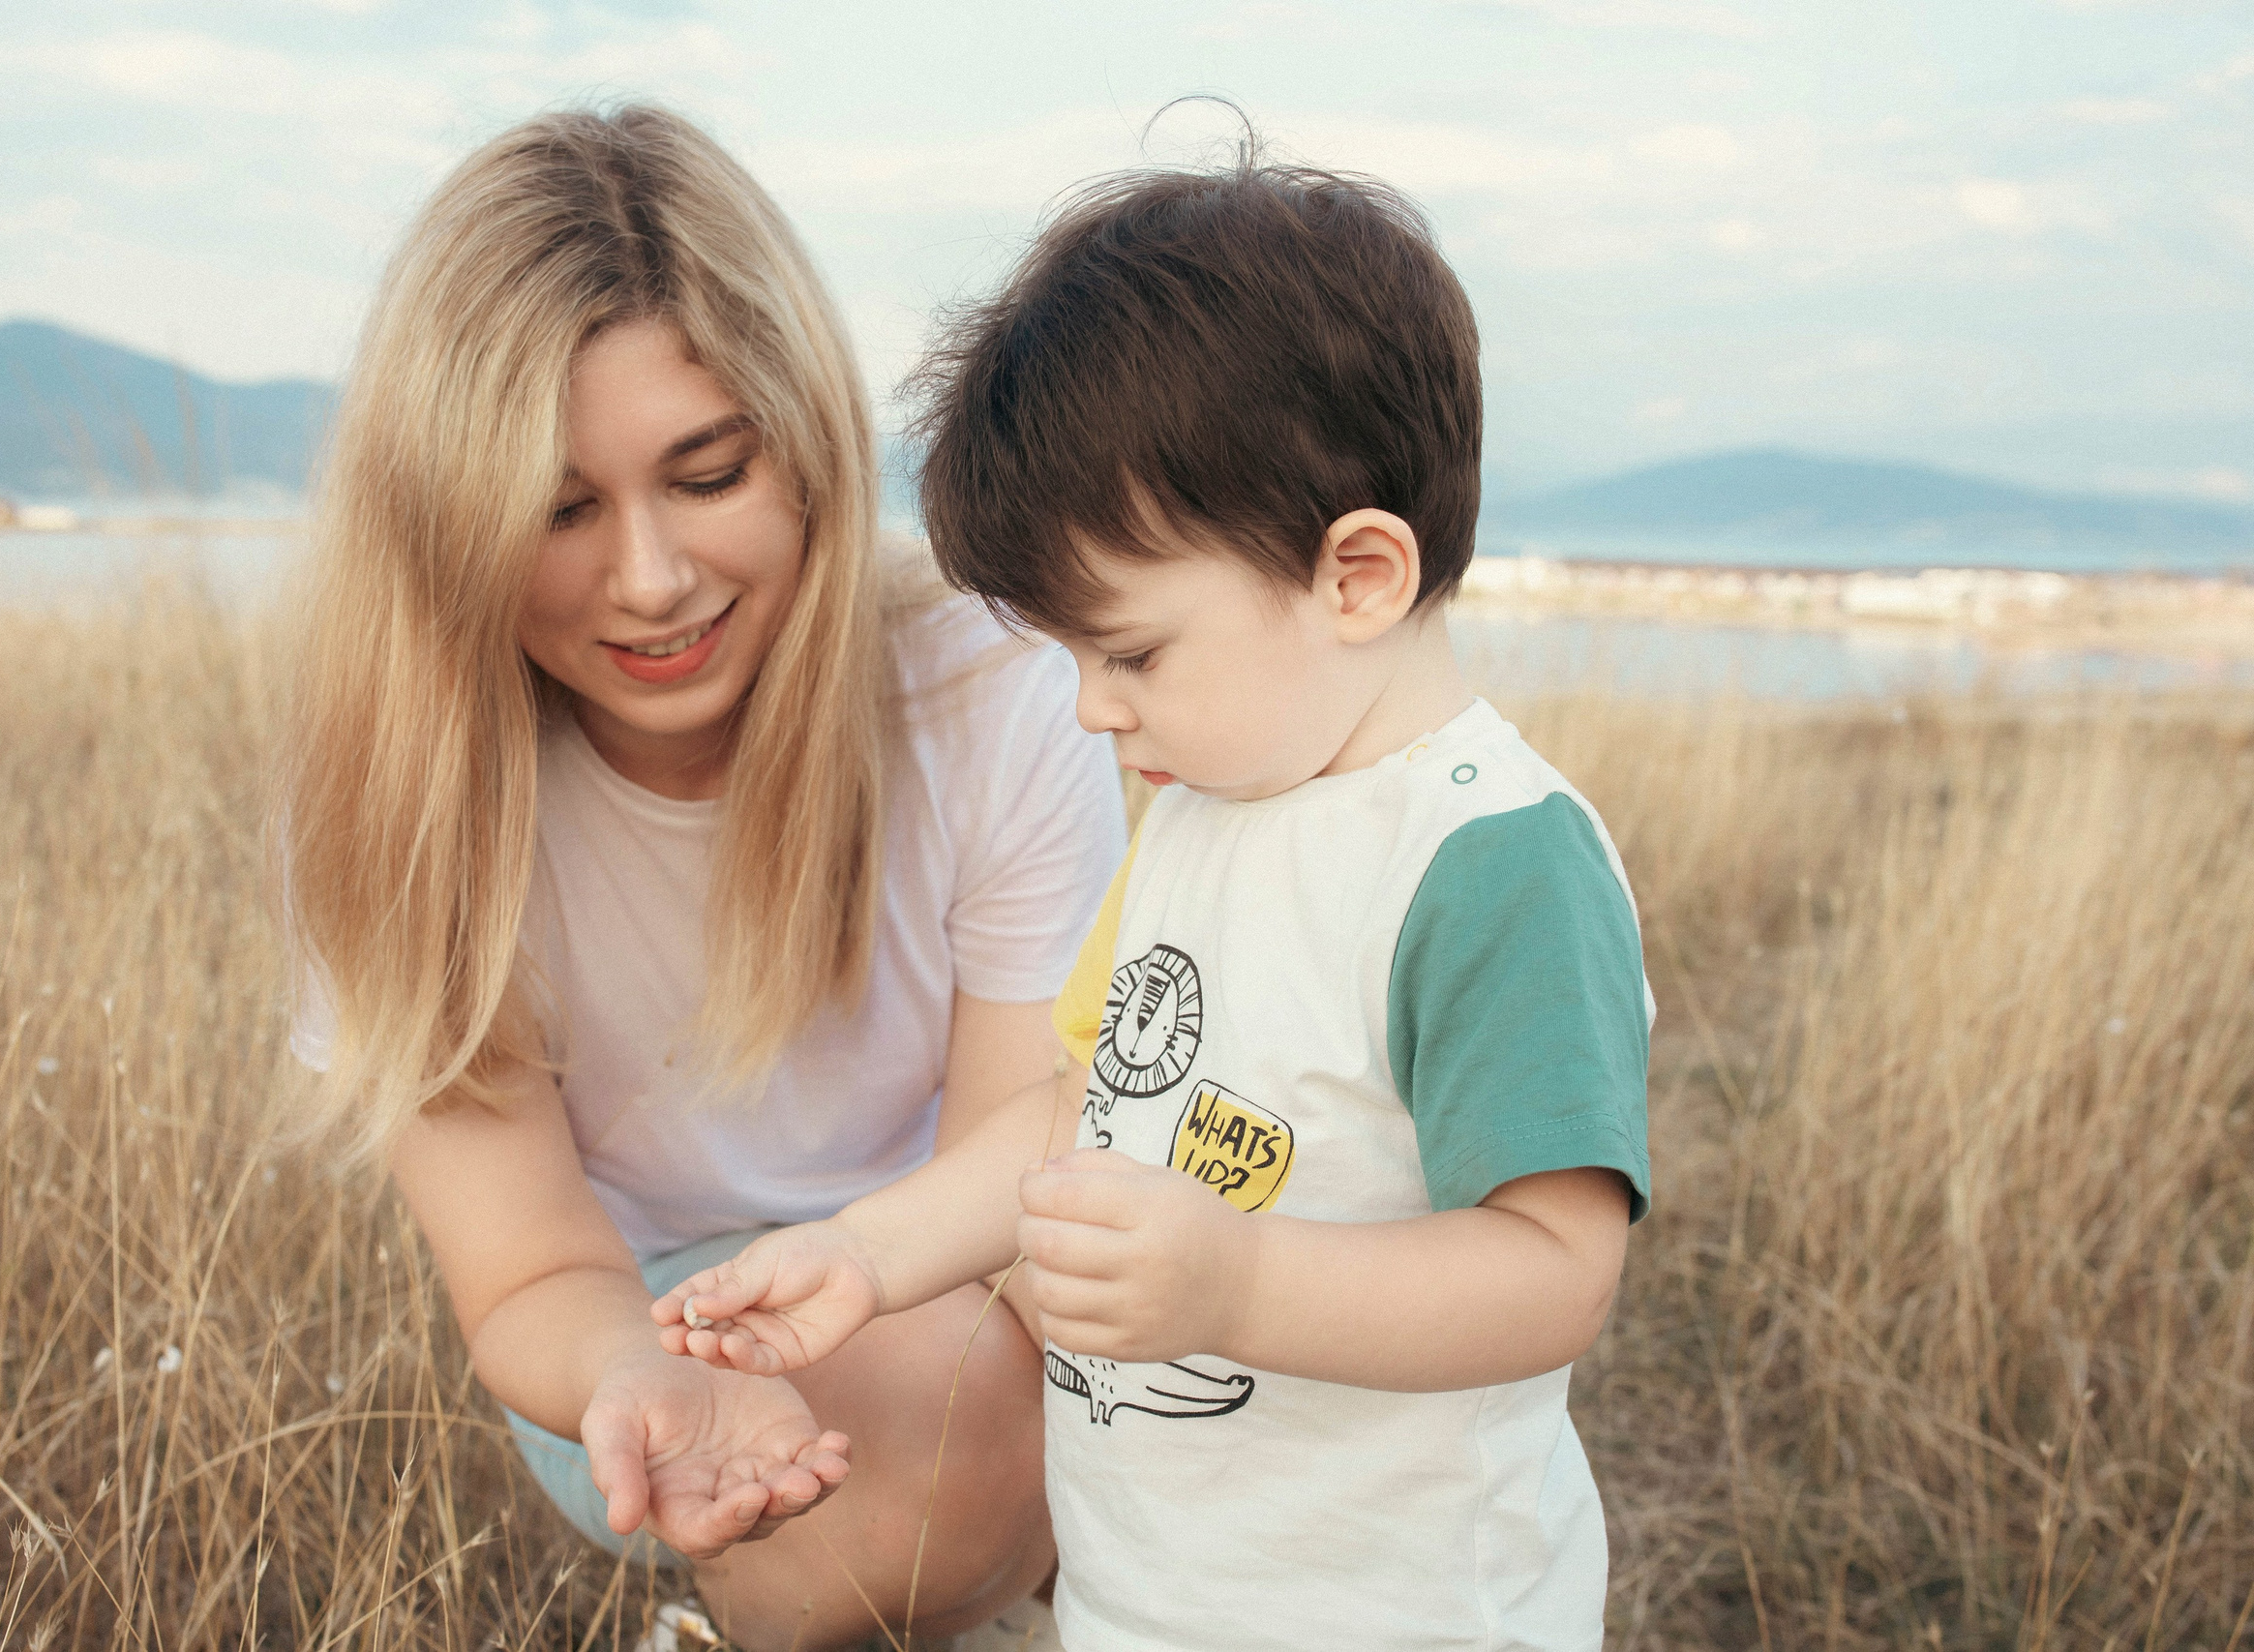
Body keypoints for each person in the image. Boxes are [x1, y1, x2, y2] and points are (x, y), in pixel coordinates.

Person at [649, 155, 1655, 1650]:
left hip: (1406, 1612)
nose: (1090, 712)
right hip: (1157, 1596)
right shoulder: (1198, 818)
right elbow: (1088, 1114)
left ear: (1358, 577)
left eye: (1131, 652)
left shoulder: (1490, 862)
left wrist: (1239, 1283)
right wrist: (870, 1255)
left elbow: (1554, 1272)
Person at [277, 105, 1125, 1651]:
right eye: (557, 508)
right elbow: (530, 1270)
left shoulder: (994, 686)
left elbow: (1022, 1152)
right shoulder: (398, 798)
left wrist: (892, 1292)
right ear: (447, 520)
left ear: (804, 447)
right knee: (941, 1467)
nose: (652, 579)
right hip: (639, 1318)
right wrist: (640, 1376)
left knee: (1050, 1386)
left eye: (708, 472)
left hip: (954, 1256)